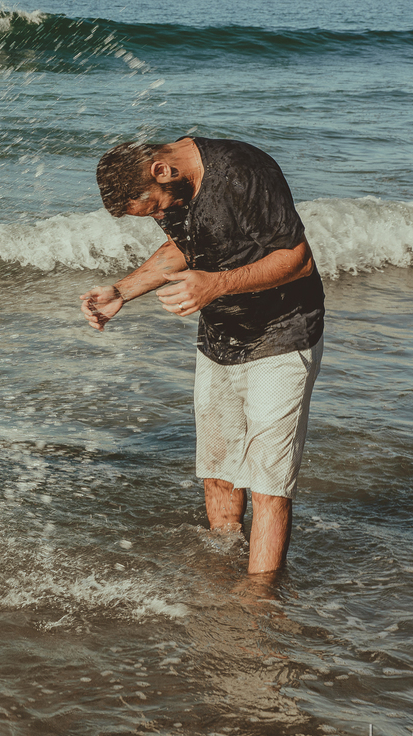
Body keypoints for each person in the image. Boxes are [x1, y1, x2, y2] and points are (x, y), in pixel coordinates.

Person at [80, 137, 324, 574]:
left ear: (160, 170)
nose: (158, 216)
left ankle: (260, 601)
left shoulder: (244, 172)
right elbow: (187, 244)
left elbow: (297, 259)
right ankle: (223, 569)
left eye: (153, 208)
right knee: (219, 467)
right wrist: (122, 292)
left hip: (283, 332)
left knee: (268, 479)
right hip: (219, 337)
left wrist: (216, 284)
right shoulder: (173, 188)